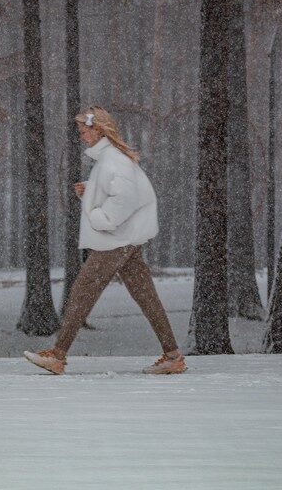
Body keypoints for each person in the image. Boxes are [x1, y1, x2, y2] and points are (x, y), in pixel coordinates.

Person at [23, 106, 186, 375]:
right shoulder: (111, 159)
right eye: (80, 130)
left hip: (116, 241)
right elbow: (120, 191)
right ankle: (173, 356)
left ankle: (58, 356)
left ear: (99, 129)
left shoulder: (114, 160)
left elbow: (124, 199)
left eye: (85, 130)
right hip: (127, 241)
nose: (82, 135)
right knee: (146, 297)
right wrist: (91, 192)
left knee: (82, 292)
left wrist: (99, 216)